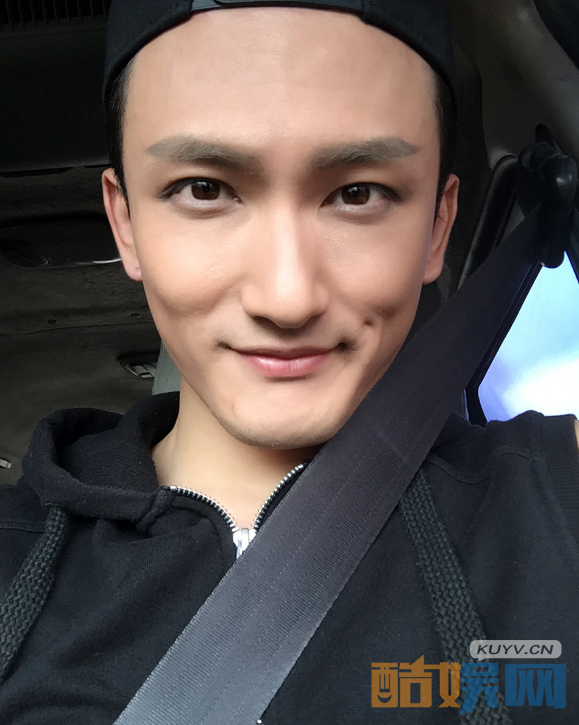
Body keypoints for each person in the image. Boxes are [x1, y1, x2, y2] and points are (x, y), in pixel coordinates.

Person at [0, 0, 577, 722]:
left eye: (358, 194)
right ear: (126, 224)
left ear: (437, 225)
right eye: (204, 189)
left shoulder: (552, 497)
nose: (286, 297)